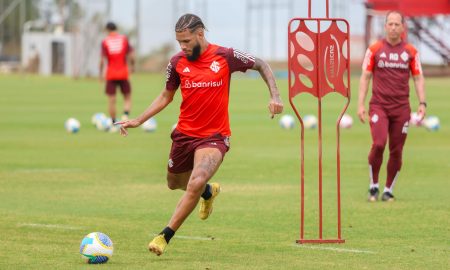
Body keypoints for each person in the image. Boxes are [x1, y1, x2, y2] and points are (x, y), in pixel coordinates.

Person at [117, 13, 283, 256]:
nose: (182, 47)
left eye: (186, 41)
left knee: (195, 180)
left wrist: (275, 96)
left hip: (214, 137)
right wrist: (138, 119)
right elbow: (166, 96)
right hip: (184, 134)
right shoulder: (176, 63)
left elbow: (261, 64)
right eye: (179, 43)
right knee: (174, 183)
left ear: (200, 34)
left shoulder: (225, 56)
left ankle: (165, 235)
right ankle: (208, 191)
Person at [358, 11, 426, 202]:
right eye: (390, 24)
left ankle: (388, 190)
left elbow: (418, 78)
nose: (394, 27)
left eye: (397, 24)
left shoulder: (411, 52)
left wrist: (422, 103)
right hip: (379, 106)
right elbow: (365, 77)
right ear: (385, 26)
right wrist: (360, 104)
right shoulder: (375, 49)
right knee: (379, 144)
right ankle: (373, 186)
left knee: (396, 150)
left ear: (403, 27)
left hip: (401, 109)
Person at [99, 22, 135, 125]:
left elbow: (102, 60)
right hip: (123, 73)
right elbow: (132, 55)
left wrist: (100, 73)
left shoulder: (105, 41)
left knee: (112, 100)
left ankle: (114, 122)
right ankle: (125, 115)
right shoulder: (124, 39)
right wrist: (132, 66)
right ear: (116, 28)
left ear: (107, 30)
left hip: (111, 74)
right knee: (127, 97)